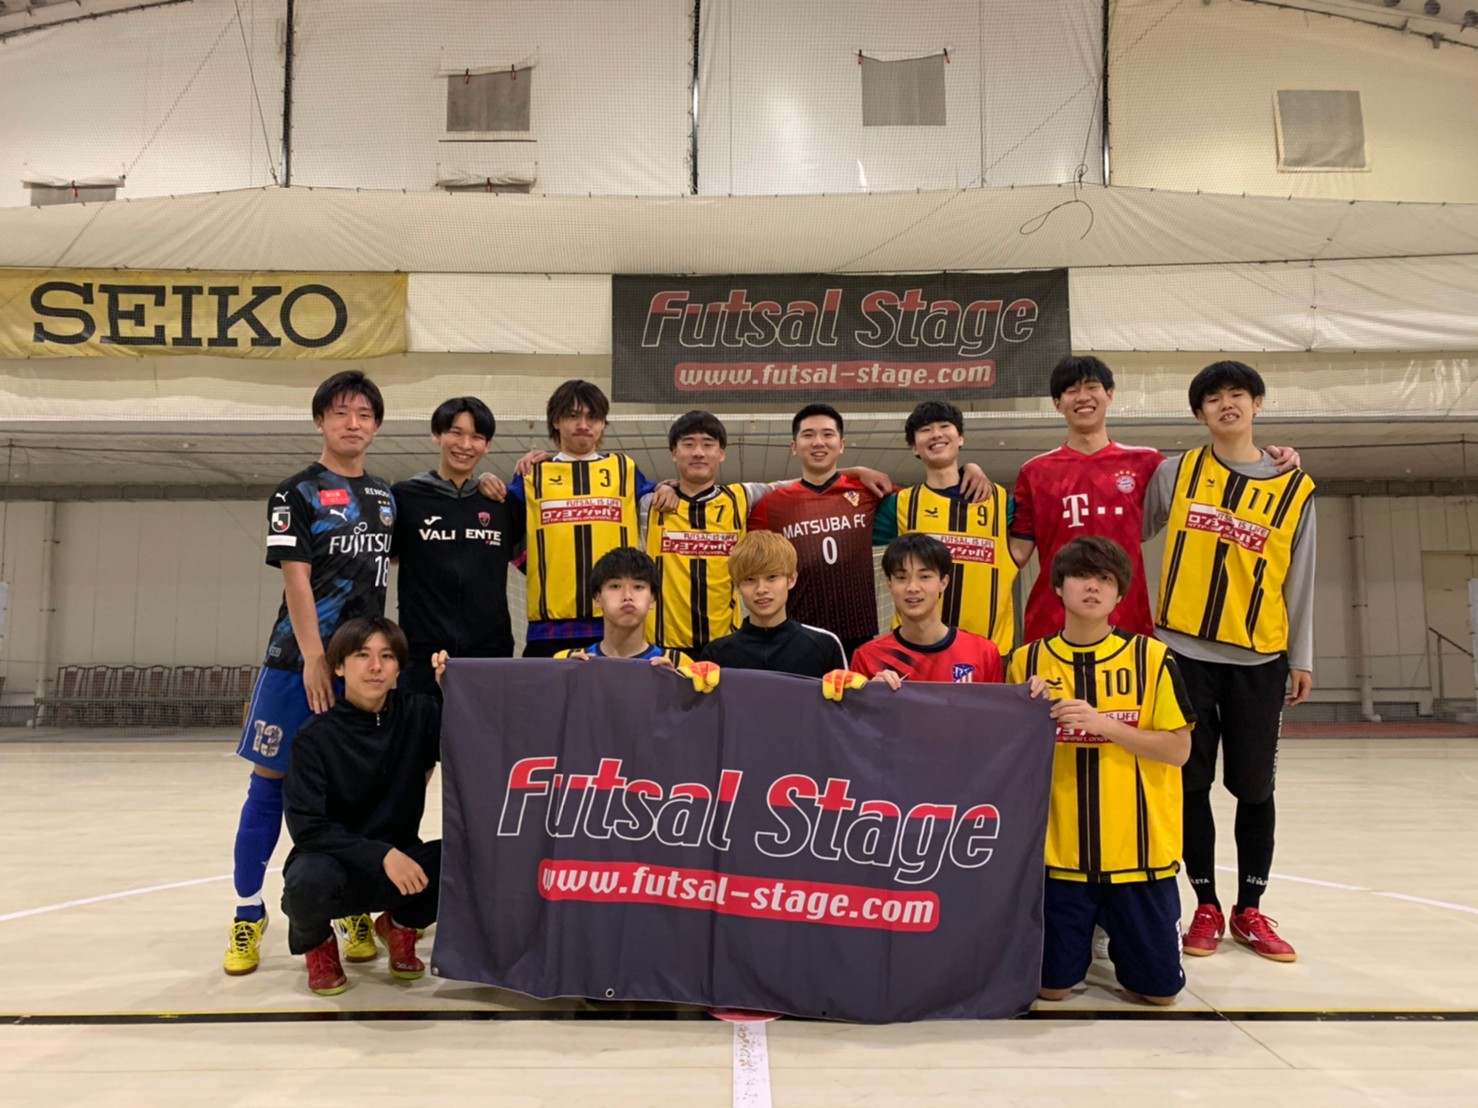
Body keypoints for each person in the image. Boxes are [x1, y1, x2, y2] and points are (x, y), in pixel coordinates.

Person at [1144, 361, 1315, 963]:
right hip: (1183, 652)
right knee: (1190, 783)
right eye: (1212, 398)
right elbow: (1130, 536)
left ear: (1258, 403)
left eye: (1237, 394)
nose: (1226, 404)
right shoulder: (1175, 472)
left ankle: (1250, 909)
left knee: (1254, 788)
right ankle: (1206, 906)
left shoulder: (1295, 486)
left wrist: (1301, 656)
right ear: (1199, 413)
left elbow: (1300, 576)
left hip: (1259, 657)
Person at [225, 370, 395, 977]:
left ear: (376, 426)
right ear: (320, 421)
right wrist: (315, 658)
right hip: (296, 666)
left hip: (360, 671)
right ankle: (248, 912)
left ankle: (348, 905)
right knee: (269, 785)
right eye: (341, 413)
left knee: (350, 794)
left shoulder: (385, 498)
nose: (353, 423)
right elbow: (296, 580)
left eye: (364, 415)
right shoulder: (295, 493)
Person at [1006, 536, 1196, 1006]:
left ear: (1120, 593)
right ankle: (1089, 936)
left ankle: (1114, 936)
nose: (1092, 587)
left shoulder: (1153, 658)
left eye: (1105, 579)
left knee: (1159, 996)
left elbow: (1178, 750)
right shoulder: (1026, 663)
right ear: (1058, 586)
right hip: (1060, 859)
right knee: (1050, 991)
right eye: (1081, 576)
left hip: (1140, 857)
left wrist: (1104, 725)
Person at [1010, 356, 1300, 646]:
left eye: (1092, 387)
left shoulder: (1148, 463)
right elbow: (1016, 554)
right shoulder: (1035, 472)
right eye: (1072, 391)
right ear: (1057, 404)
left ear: (1110, 395)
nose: (1083, 397)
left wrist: (1267, 460)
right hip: (1052, 621)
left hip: (1127, 620)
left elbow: (1217, 473)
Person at [280, 617, 443, 996]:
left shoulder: (419, 713)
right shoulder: (314, 738)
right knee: (306, 883)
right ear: (338, 666)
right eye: (362, 655)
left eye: (387, 656)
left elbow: (477, 738)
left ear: (399, 667)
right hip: (335, 866)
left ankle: (399, 926)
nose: (375, 666)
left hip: (399, 869)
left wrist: (452, 688)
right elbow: (308, 829)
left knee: (462, 861)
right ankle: (318, 945)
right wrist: (382, 855)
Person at [644, 410, 890, 655]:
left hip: (725, 645)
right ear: (674, 452)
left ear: (721, 453)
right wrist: (662, 487)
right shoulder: (649, 505)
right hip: (664, 646)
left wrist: (856, 471)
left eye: (708, 445)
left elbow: (810, 479)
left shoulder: (742, 497)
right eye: (688, 444)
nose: (698, 452)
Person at [505, 380, 661, 657]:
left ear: (603, 423)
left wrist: (669, 488)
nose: (583, 424)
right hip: (549, 628)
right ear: (555, 421)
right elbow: (504, 532)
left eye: (593, 417)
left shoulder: (624, 469)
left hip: (617, 625)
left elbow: (660, 504)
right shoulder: (532, 475)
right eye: (573, 415)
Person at [391, 397, 522, 695]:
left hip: (490, 653)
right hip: (421, 653)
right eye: (456, 432)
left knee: (486, 727)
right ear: (436, 435)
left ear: (488, 445)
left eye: (476, 437)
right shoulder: (405, 497)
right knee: (421, 725)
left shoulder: (502, 504)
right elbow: (393, 556)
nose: (465, 445)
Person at [873, 401, 1018, 653]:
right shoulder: (900, 504)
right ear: (914, 447)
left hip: (989, 653)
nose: (936, 434)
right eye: (925, 429)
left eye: (944, 426)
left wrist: (972, 467)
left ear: (960, 437)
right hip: (915, 652)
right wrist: (857, 470)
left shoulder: (1001, 501)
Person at [849, 534, 1005, 687]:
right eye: (901, 578)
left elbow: (995, 705)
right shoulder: (867, 657)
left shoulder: (983, 653)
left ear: (943, 582)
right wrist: (873, 695)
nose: (912, 588)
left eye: (924, 577)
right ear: (889, 584)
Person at [697, 531, 847, 678]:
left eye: (771, 577)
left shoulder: (824, 645)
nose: (761, 589)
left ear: (791, 579)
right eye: (750, 579)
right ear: (737, 586)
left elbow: (844, 694)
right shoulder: (715, 656)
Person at [555, 547, 694, 667]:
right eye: (615, 586)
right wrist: (567, 679)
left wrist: (674, 682)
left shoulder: (678, 663)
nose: (627, 596)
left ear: (652, 599)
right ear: (598, 599)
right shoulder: (566, 660)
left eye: (638, 587)